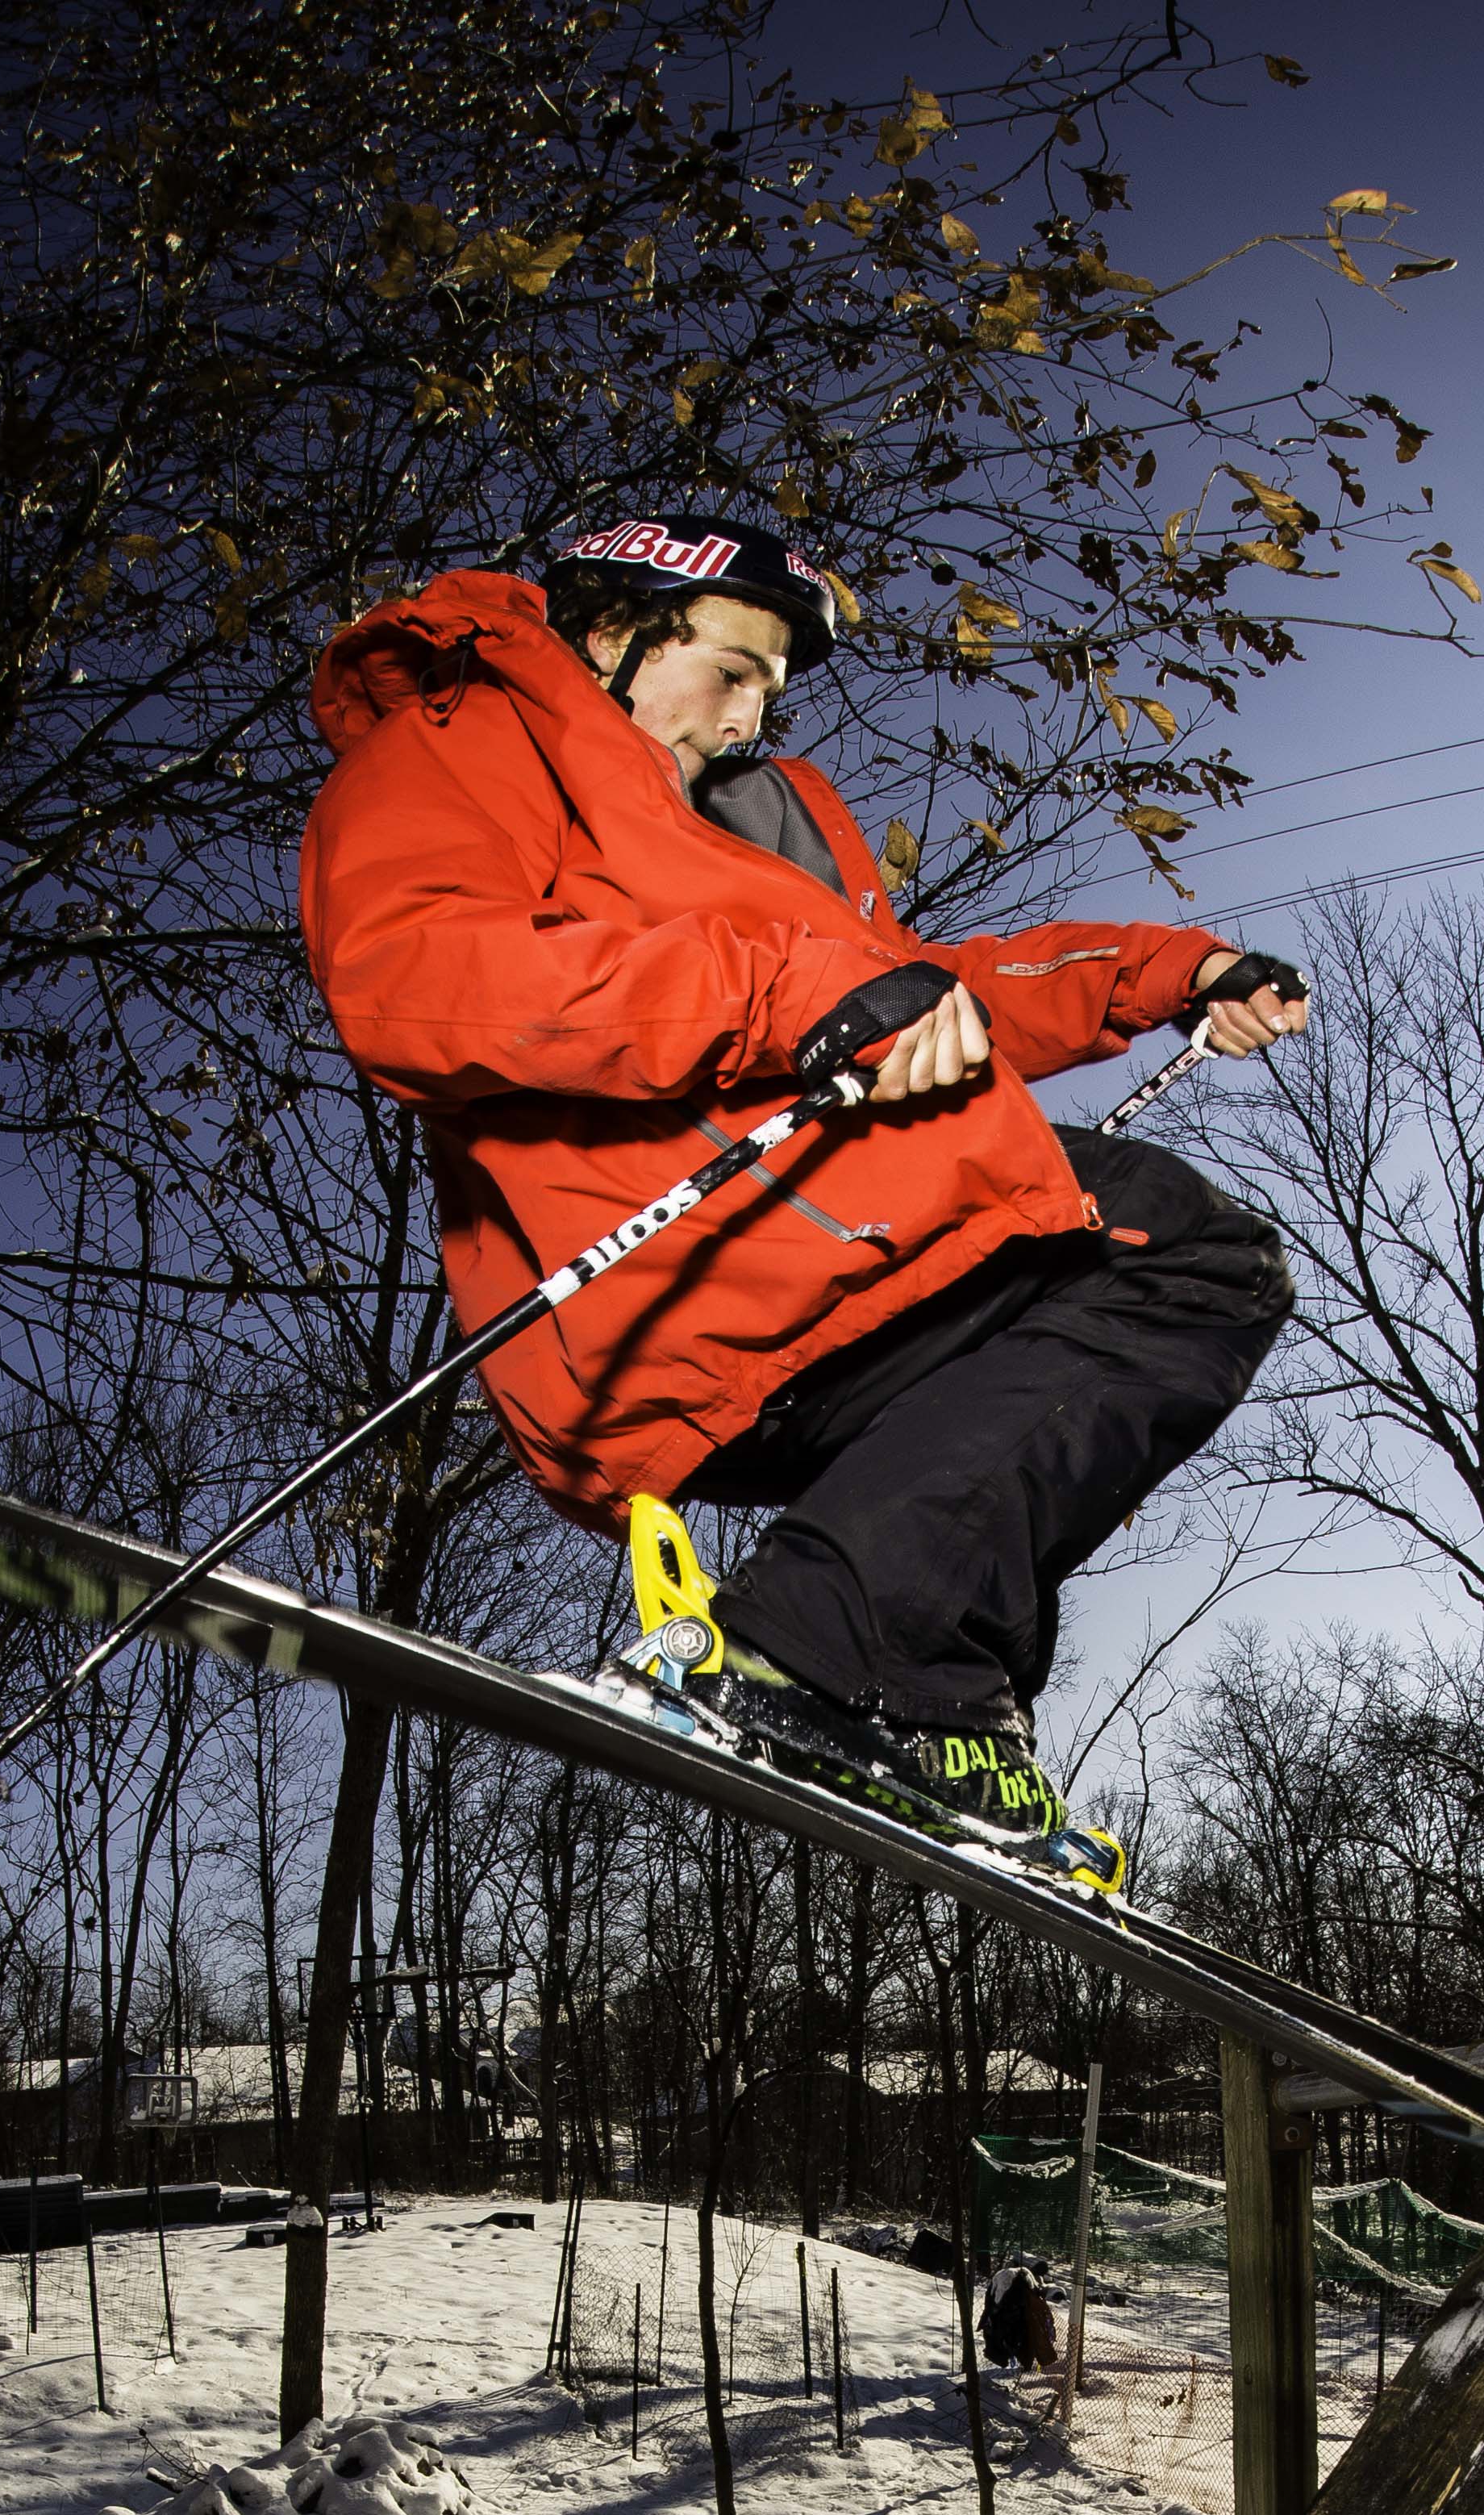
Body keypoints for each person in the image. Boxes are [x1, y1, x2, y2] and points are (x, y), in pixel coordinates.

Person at [296, 510, 1307, 1860]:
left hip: (829, 1255)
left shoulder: (763, 821)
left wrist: (1167, 973)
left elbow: (931, 989)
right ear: (612, 632)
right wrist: (795, 994)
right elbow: (411, 981)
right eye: (732, 668)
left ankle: (918, 1699)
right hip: (679, 1269)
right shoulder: (468, 743)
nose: (749, 714)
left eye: (772, 688)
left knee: (1174, 1268)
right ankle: (839, 1643)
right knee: (1176, 1247)